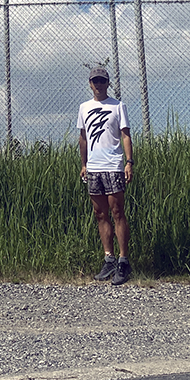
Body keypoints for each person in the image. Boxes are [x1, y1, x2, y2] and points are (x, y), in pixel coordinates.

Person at [77, 66, 133, 286]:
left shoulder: (118, 106)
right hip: (94, 167)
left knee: (117, 211)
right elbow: (83, 137)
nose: (98, 84)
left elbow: (125, 134)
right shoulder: (84, 107)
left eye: (102, 80)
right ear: (90, 84)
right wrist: (84, 164)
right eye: (94, 81)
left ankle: (123, 260)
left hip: (113, 165)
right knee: (100, 213)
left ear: (108, 83)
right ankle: (108, 258)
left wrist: (129, 162)